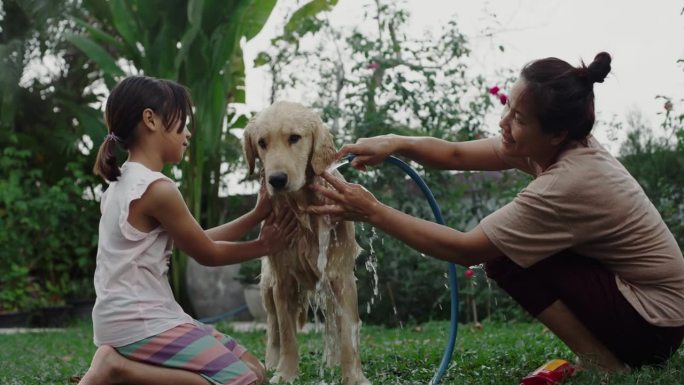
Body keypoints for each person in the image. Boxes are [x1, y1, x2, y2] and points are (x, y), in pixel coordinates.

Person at [307, 52, 684, 372]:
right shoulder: (553, 146)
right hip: (648, 306)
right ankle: (602, 358)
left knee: (504, 259)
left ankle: (605, 364)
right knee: (511, 253)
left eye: (519, 119)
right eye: (508, 105)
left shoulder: (569, 181)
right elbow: (455, 154)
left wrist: (371, 210)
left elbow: (466, 249)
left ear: (555, 133)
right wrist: (397, 142)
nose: (504, 123)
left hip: (653, 323)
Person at [78, 76, 297, 385]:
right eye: (182, 123)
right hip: (141, 321)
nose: (188, 133)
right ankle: (117, 368)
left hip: (139, 316)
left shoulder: (124, 182)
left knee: (255, 369)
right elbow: (207, 254)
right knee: (244, 381)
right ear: (151, 120)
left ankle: (122, 366)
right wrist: (265, 246)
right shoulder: (156, 188)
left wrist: (254, 216)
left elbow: (198, 239)